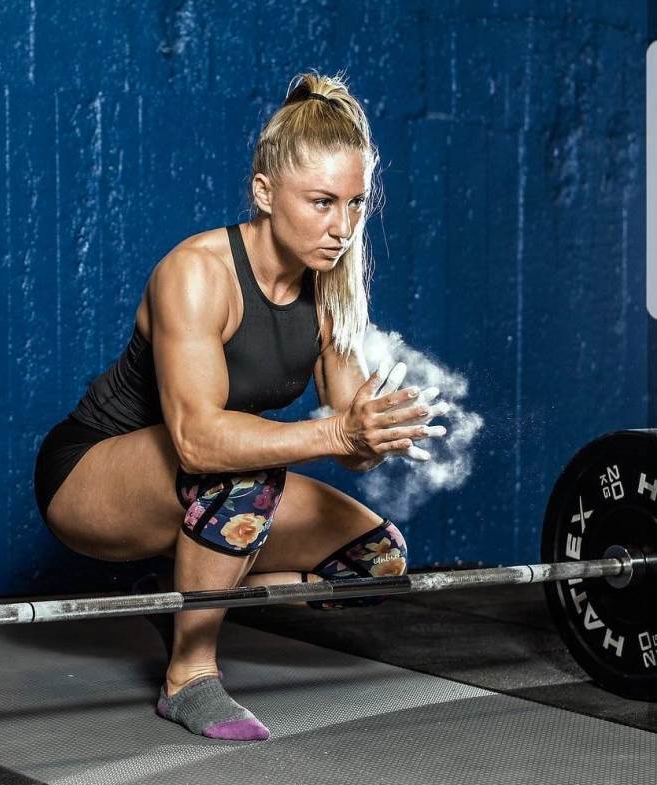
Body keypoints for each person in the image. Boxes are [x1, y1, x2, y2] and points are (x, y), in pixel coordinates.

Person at [33, 70, 448, 741]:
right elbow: (198, 441)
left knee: (377, 561)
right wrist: (340, 432)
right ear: (263, 192)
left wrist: (373, 431)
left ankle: (181, 593)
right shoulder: (197, 272)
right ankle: (188, 673)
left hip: (213, 490)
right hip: (89, 476)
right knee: (239, 473)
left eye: (354, 204)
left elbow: (353, 444)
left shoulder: (332, 296)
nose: (340, 227)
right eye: (320, 202)